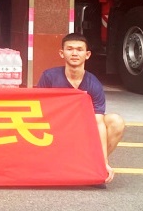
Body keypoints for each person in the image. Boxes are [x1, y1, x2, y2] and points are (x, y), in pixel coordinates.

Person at [37, 32, 127, 182]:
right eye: (69, 49)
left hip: (81, 131)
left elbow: (98, 122)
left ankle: (95, 167)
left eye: (79, 49)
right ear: (61, 53)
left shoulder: (94, 84)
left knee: (116, 121)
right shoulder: (49, 77)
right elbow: (38, 112)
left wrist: (103, 162)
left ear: (87, 55)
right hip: (54, 131)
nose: (74, 53)